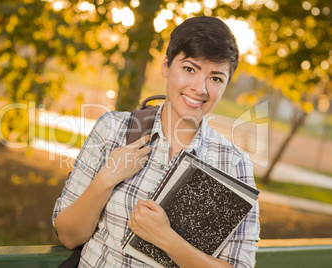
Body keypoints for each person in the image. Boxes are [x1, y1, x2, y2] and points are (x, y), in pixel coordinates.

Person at [52, 16, 260, 268]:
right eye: (189, 69)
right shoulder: (113, 129)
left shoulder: (233, 164)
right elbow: (69, 236)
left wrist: (167, 239)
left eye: (216, 78)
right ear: (166, 66)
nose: (200, 88)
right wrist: (106, 177)